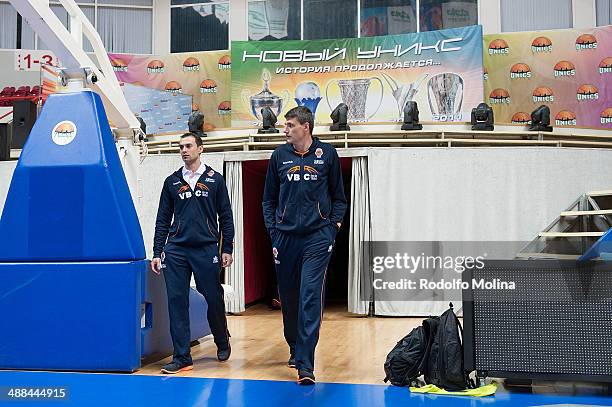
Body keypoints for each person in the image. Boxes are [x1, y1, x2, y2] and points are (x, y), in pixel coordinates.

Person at [262, 106, 348, 385]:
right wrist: (274, 233)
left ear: (305, 127)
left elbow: (339, 198)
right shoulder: (279, 156)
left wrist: (332, 227)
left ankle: (306, 364)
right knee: (289, 298)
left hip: (317, 238)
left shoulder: (328, 155)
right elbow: (268, 200)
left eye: (289, 125)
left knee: (310, 296)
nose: (284, 129)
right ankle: (294, 344)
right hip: (285, 238)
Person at [151, 132, 234, 374]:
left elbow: (226, 218)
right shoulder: (172, 182)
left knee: (213, 297)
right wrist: (158, 251)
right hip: (176, 250)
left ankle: (222, 339)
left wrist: (226, 247)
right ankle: (182, 357)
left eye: (188, 146)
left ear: (200, 149)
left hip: (206, 248)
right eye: (180, 147)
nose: (184, 150)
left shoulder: (215, 180)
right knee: (177, 302)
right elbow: (162, 219)